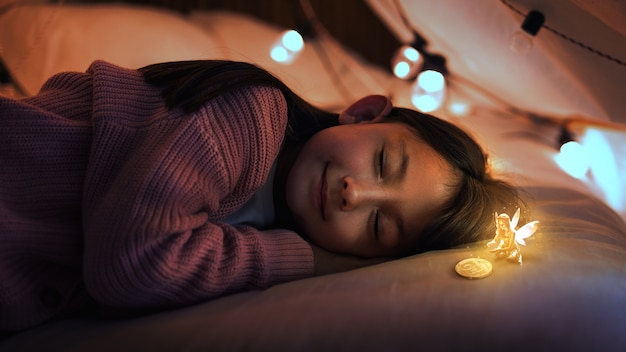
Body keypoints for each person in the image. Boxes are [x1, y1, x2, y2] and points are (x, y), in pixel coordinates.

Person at [0, 59, 527, 332]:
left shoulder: (258, 234)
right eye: (383, 162)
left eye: (378, 226)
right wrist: (313, 260)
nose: (355, 193)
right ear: (364, 113)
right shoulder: (248, 115)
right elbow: (132, 267)